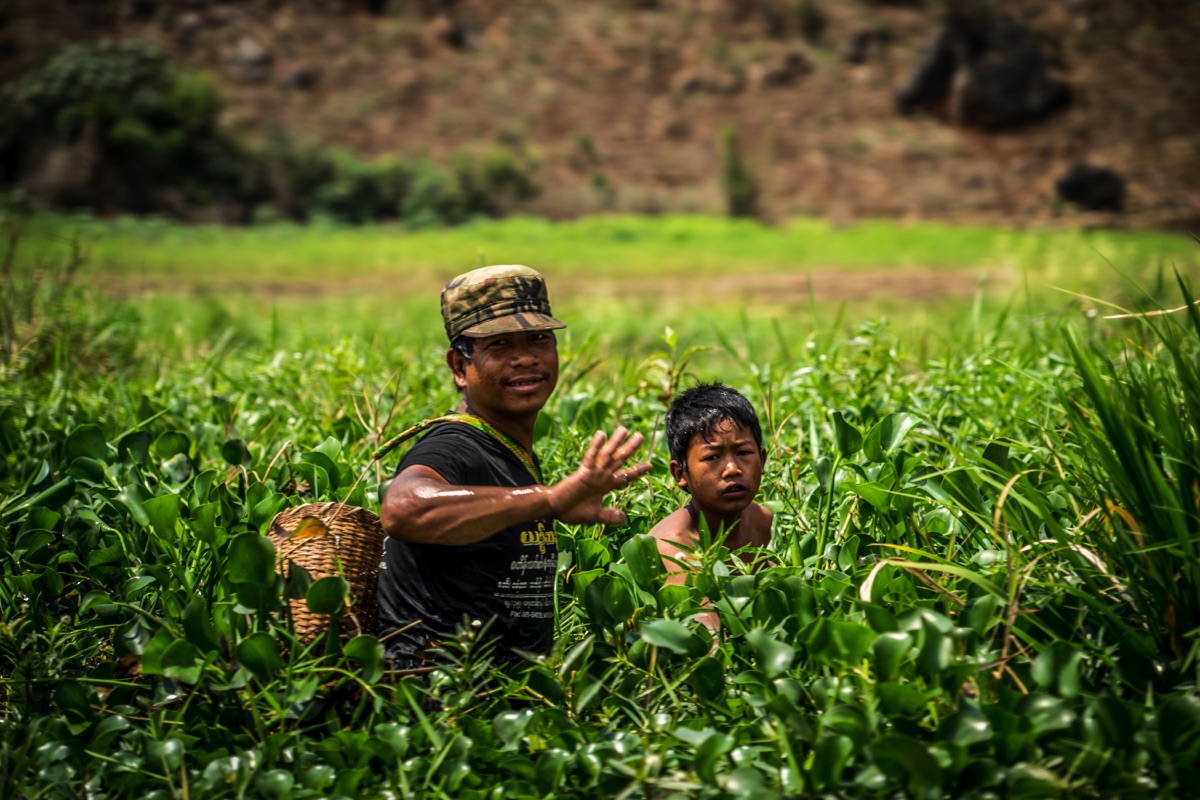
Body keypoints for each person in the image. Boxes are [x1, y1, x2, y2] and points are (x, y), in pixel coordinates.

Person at [378, 265, 651, 670]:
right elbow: (403, 508)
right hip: (440, 700)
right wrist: (548, 499)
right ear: (459, 366)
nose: (525, 358)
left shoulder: (509, 451)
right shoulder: (455, 446)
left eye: (539, 339)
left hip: (502, 701)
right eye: (499, 345)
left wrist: (550, 504)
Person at [649, 382, 773, 629]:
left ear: (762, 460)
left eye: (743, 453)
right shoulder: (674, 546)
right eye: (712, 457)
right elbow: (707, 639)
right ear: (680, 473)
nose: (733, 469)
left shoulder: (763, 521)